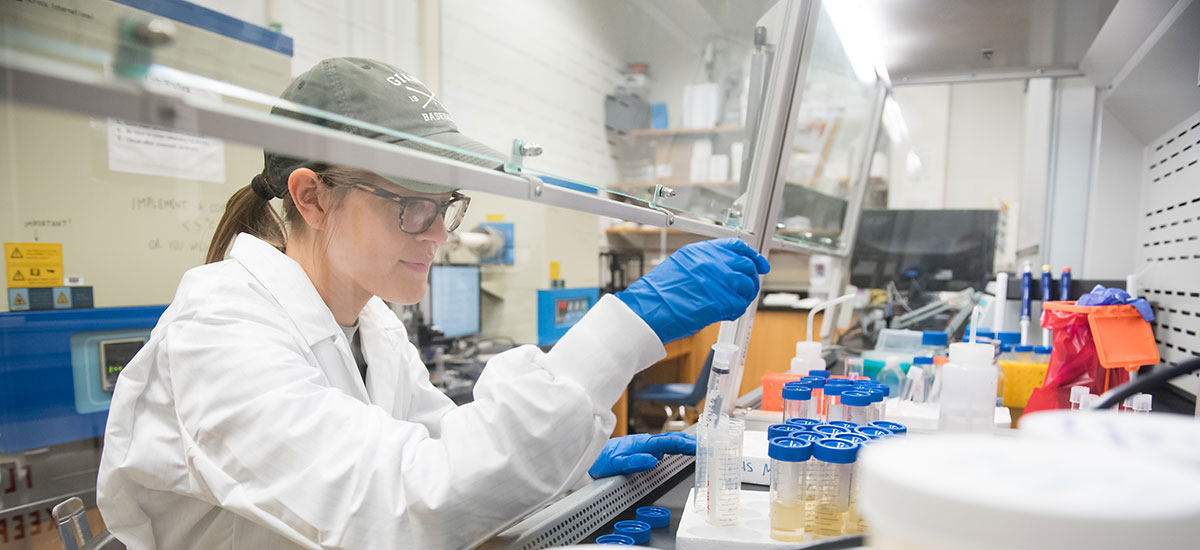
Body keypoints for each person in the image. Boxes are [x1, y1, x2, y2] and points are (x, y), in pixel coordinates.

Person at [97, 58, 769, 549]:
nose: (440, 232)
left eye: (445, 203)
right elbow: (403, 502)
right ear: (312, 197)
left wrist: (571, 467)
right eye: (411, 205)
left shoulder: (372, 324)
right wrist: (624, 329)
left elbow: (437, 440)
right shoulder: (218, 335)